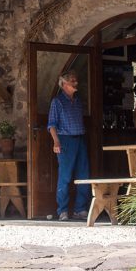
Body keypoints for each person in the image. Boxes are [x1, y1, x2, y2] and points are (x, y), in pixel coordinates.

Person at [47, 70, 92, 221]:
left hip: (79, 139)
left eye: (76, 80)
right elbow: (52, 124)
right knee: (65, 176)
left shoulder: (78, 101)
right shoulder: (57, 101)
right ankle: (63, 211)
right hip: (65, 140)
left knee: (83, 175)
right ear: (64, 84)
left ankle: (80, 209)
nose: (76, 83)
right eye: (73, 81)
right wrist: (56, 141)